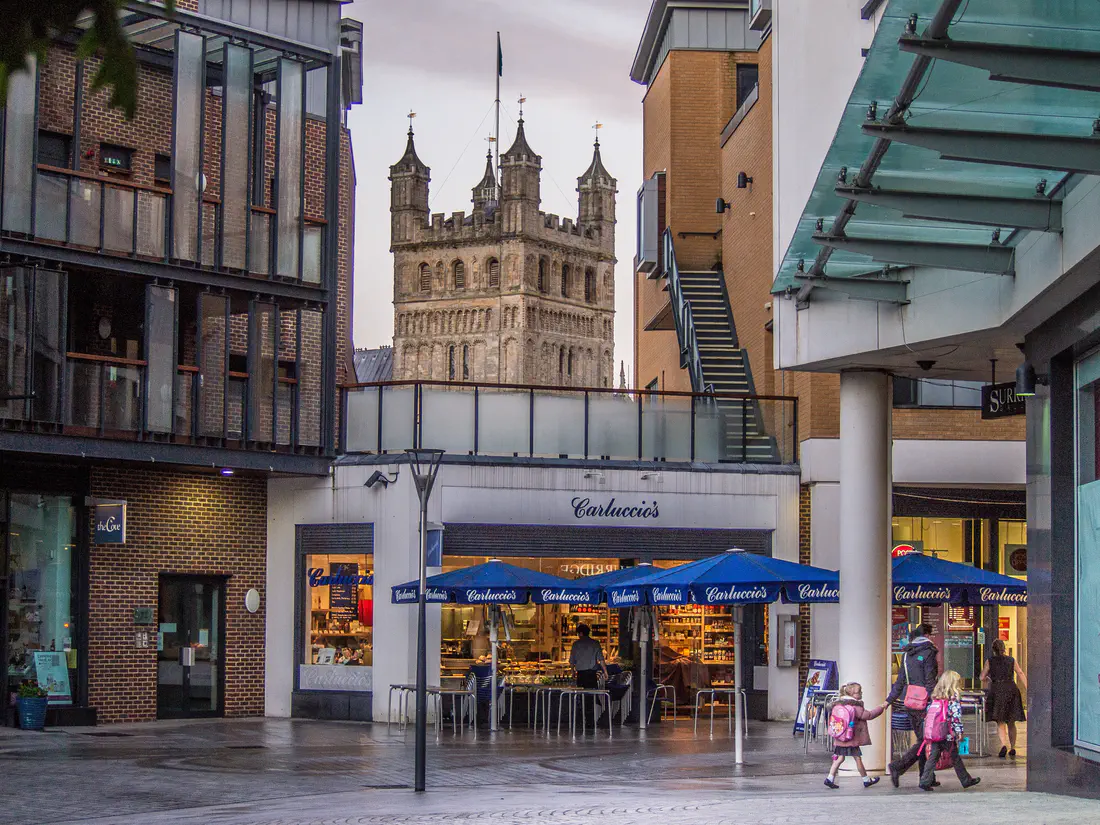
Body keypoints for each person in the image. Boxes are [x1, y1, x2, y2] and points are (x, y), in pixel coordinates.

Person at [886, 623, 939, 787]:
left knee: (924, 739)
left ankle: (927, 777)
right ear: (928, 635)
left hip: (911, 702)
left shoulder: (907, 654)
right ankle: (898, 767)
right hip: (925, 703)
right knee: (925, 740)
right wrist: (936, 699)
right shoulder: (929, 652)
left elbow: (901, 680)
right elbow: (930, 679)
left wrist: (889, 700)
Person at [918, 670, 981, 791]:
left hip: (936, 733)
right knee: (955, 756)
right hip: (947, 734)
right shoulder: (953, 699)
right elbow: (955, 717)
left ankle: (924, 780)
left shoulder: (936, 698)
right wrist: (959, 733)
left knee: (933, 756)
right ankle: (966, 780)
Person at [823, 682, 888, 789]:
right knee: (857, 759)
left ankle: (830, 778)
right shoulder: (855, 706)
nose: (861, 693)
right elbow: (869, 715)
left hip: (840, 737)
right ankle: (866, 780)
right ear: (852, 694)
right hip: (850, 739)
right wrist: (881, 708)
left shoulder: (839, 704)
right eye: (859, 692)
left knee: (840, 758)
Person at [980, 638, 1027, 758]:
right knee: (1011, 721)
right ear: (1004, 648)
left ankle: (1003, 745)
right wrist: (1028, 687)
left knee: (1000, 721)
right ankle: (1013, 747)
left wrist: (988, 679)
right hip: (1011, 688)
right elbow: (1020, 673)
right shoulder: (1011, 660)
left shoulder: (990, 661)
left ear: (993, 650)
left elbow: (982, 677)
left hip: (997, 689)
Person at [569, 623, 609, 727]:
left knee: (581, 697)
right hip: (591, 674)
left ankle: (582, 720)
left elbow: (572, 661)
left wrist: (573, 672)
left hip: (581, 674)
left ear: (580, 633)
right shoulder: (595, 643)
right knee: (591, 697)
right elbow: (601, 659)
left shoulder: (576, 644)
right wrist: (605, 672)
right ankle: (591, 721)